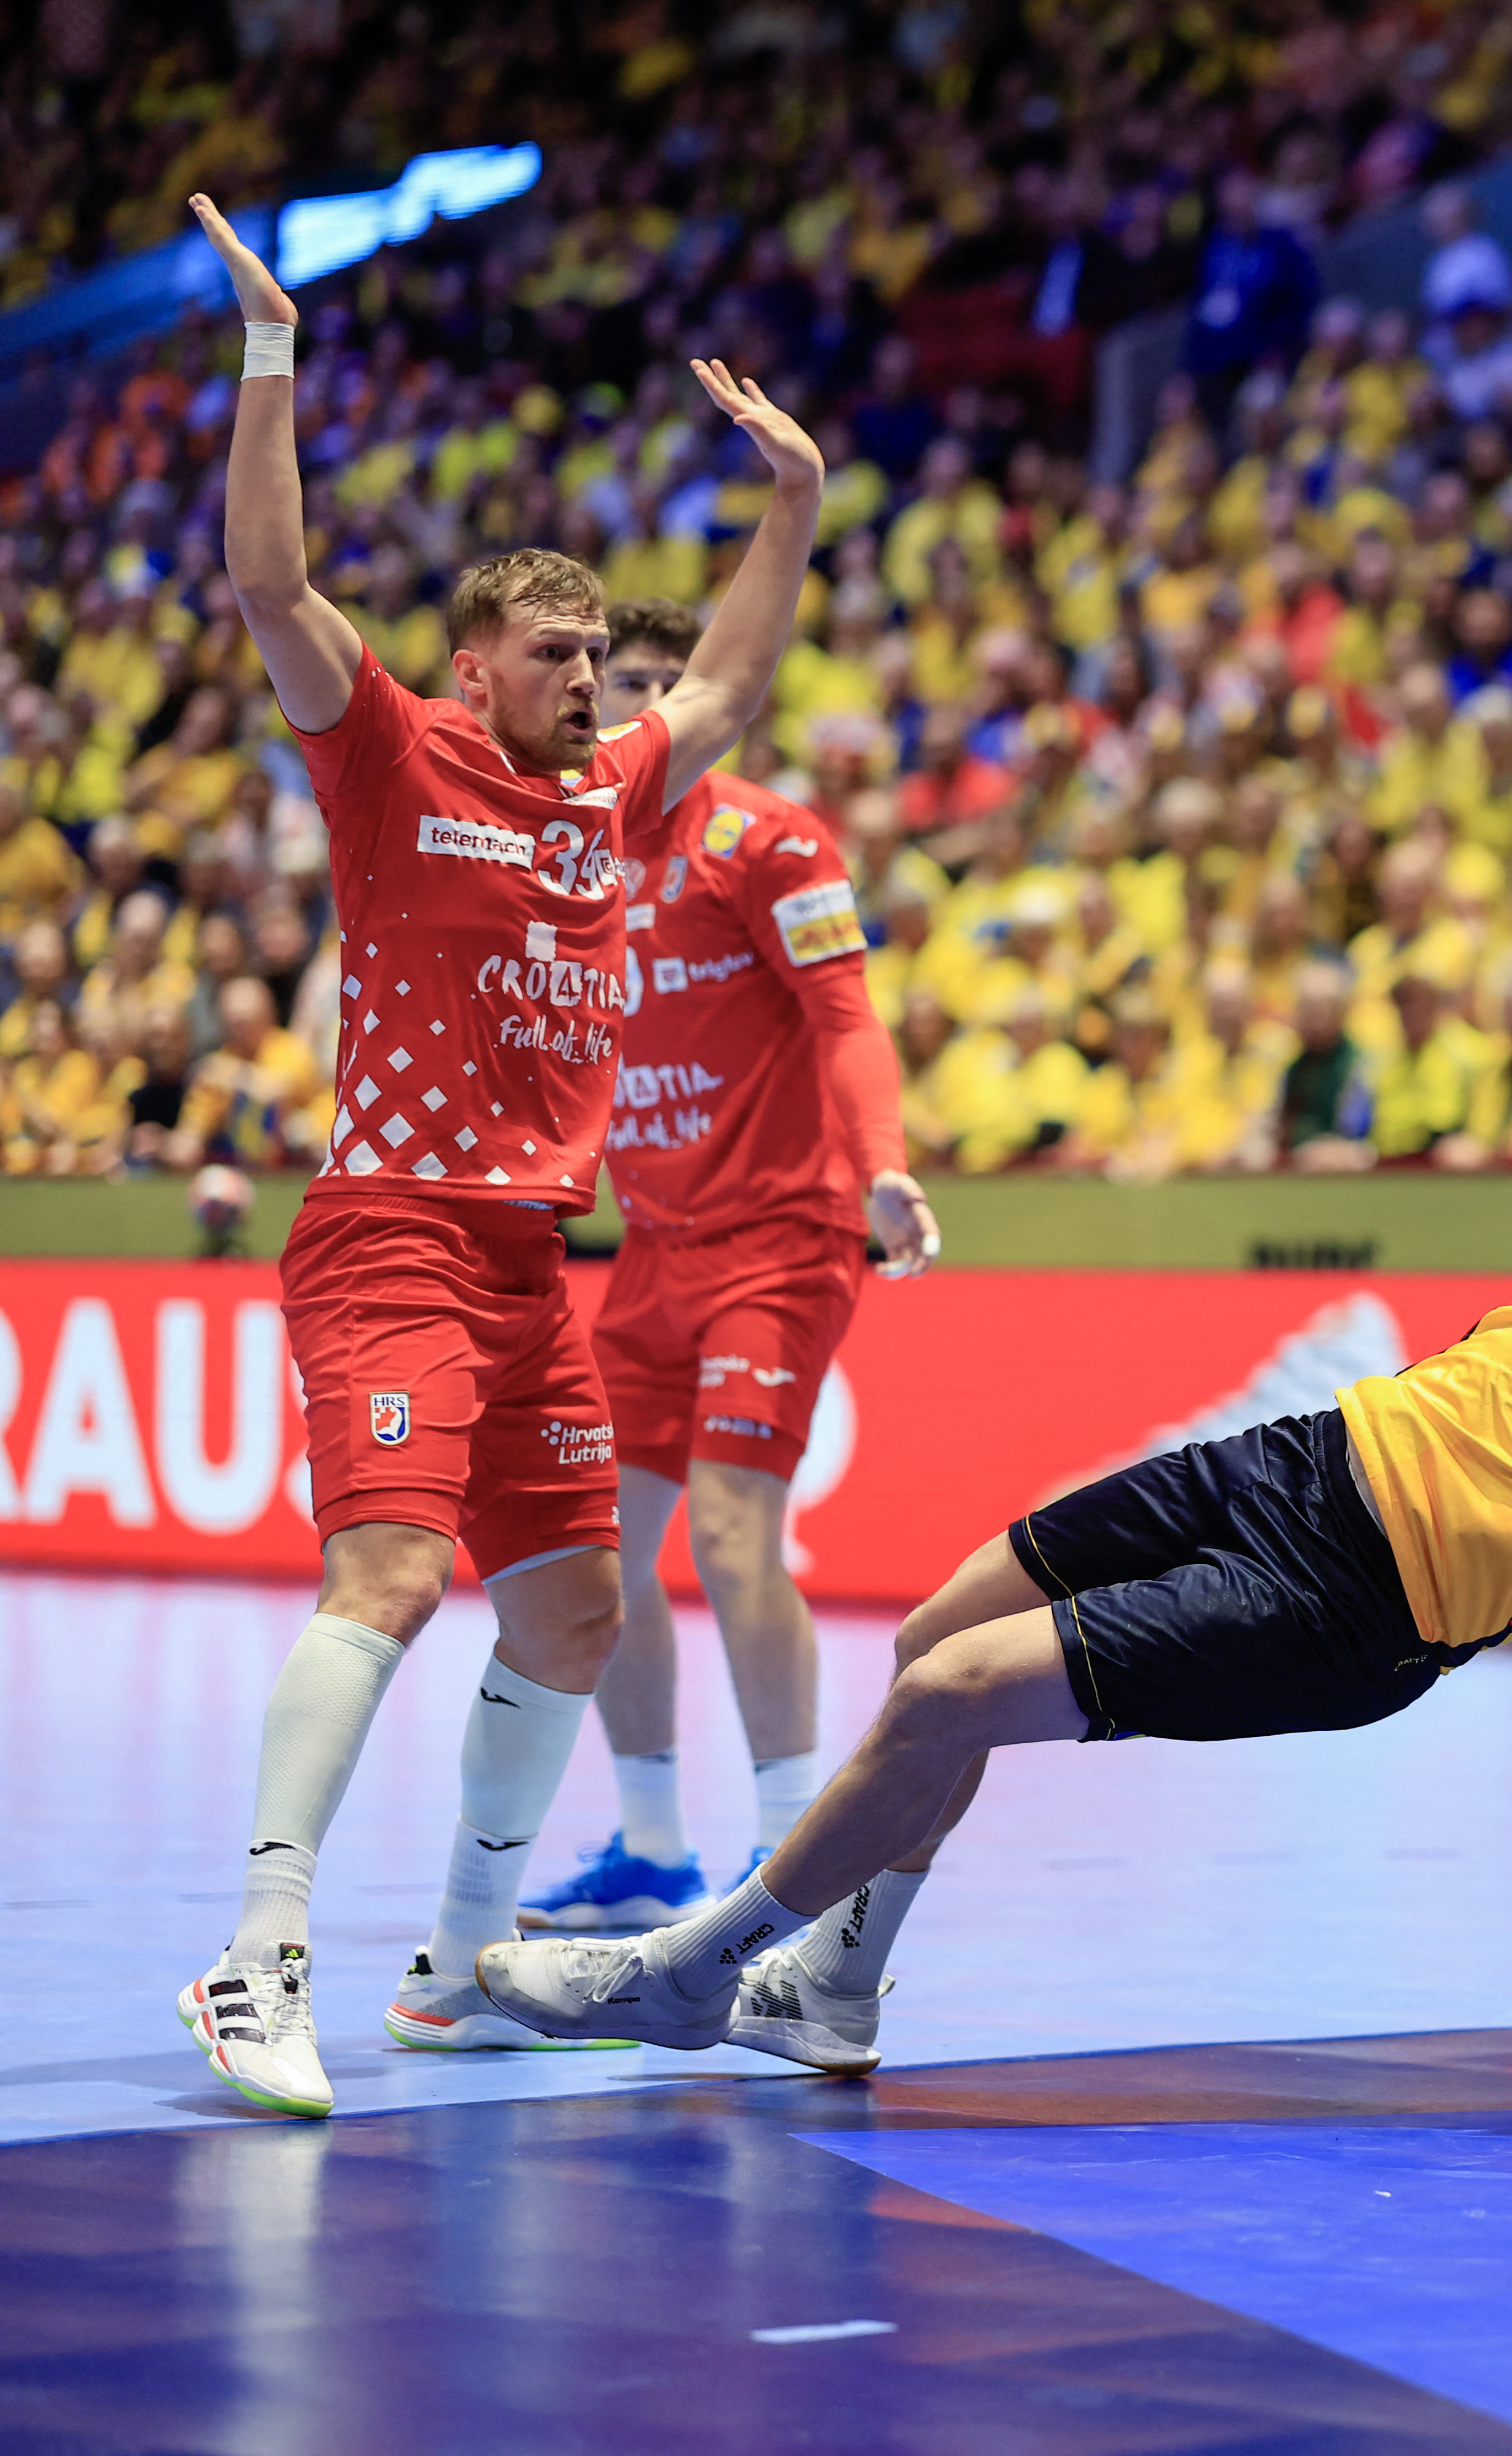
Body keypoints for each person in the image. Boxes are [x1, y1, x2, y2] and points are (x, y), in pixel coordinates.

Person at [475, 707, 1512, 2077]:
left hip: (1361, 1607)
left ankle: (693, 1967)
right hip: (1304, 1457)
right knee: (927, 1644)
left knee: (953, 1695)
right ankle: (838, 1987)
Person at [173, 195, 827, 2118]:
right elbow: (270, 583)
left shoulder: (611, 794)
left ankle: (462, 1968)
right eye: (551, 653)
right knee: (387, 1574)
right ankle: (256, 1956)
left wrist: (792, 501)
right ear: (473, 670)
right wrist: (272, 355)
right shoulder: (390, 752)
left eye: (593, 653)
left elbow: (726, 686)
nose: (586, 677)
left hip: (540, 1260)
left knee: (576, 1610)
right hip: (390, 1234)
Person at [515, 600, 944, 1937]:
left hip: (781, 1239)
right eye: (616, 680)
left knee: (732, 1530)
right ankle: (652, 1847)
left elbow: (847, 1019)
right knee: (593, 1551)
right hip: (652, 1250)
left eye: (666, 679)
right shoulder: (566, 847)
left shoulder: (772, 840)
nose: (638, 700)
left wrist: (882, 1165)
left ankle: (800, 1853)